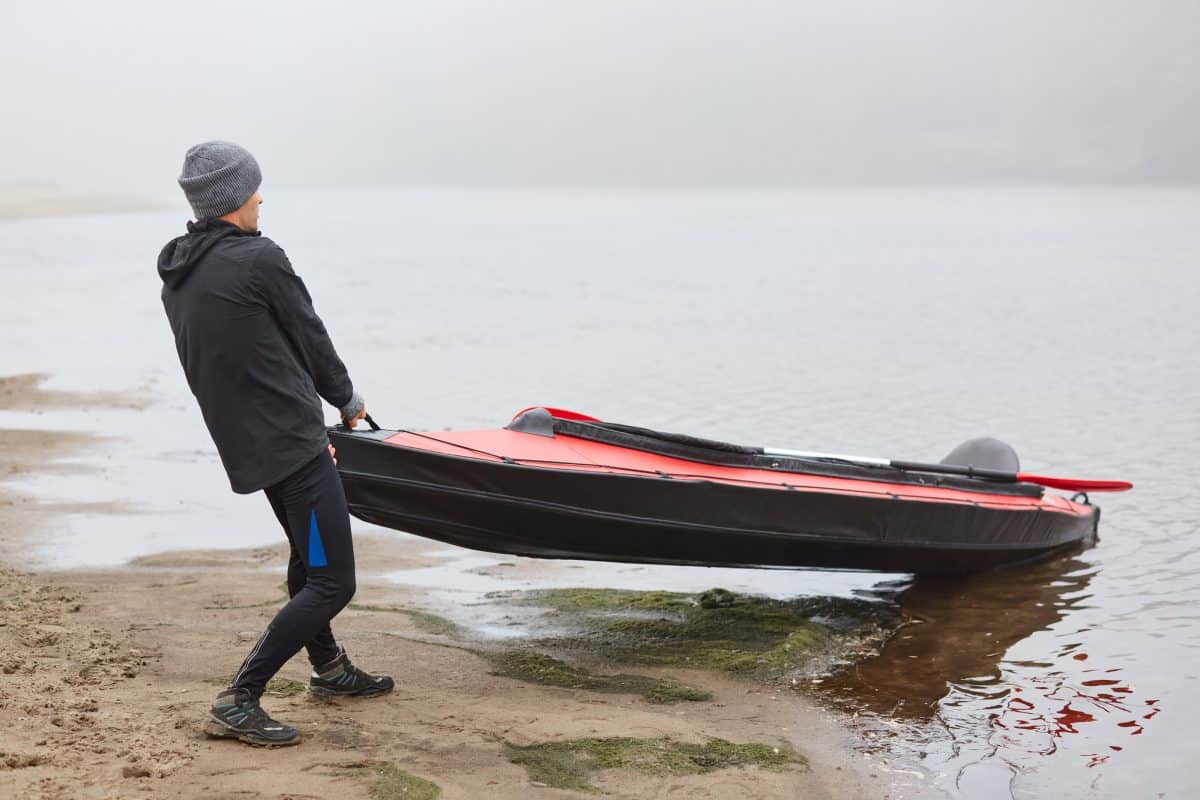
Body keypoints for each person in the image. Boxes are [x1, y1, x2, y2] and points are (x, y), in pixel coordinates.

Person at [158, 141, 393, 747]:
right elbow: (309, 337)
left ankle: (331, 669)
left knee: (307, 558)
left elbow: (231, 363)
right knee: (332, 580)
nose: (262, 198)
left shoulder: (179, 276)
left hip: (255, 447)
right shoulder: (260, 259)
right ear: (233, 199)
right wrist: (345, 402)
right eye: (254, 188)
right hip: (293, 451)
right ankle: (240, 696)